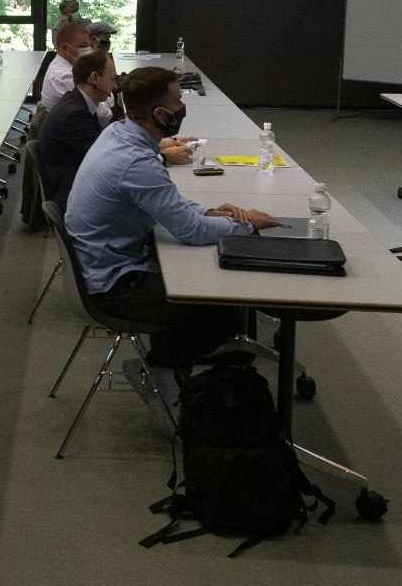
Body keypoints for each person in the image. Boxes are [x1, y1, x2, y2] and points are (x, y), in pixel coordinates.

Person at [63, 67, 280, 404]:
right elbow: (190, 231)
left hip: (106, 259)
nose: (182, 107)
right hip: (114, 284)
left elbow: (169, 202)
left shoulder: (120, 132)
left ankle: (177, 366)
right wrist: (247, 224)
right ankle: (162, 373)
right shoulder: (136, 161)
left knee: (208, 281)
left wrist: (209, 211)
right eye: (177, 101)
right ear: (160, 114)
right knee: (223, 309)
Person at [38, 49, 117, 211]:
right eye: (111, 79)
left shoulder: (77, 101)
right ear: (94, 78)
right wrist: (161, 155)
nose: (114, 86)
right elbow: (108, 158)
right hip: (73, 197)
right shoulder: (74, 115)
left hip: (74, 181)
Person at [38, 20, 90, 112]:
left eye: (89, 46)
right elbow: (102, 113)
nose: (88, 51)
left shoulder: (70, 66)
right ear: (65, 48)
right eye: (83, 46)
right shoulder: (64, 76)